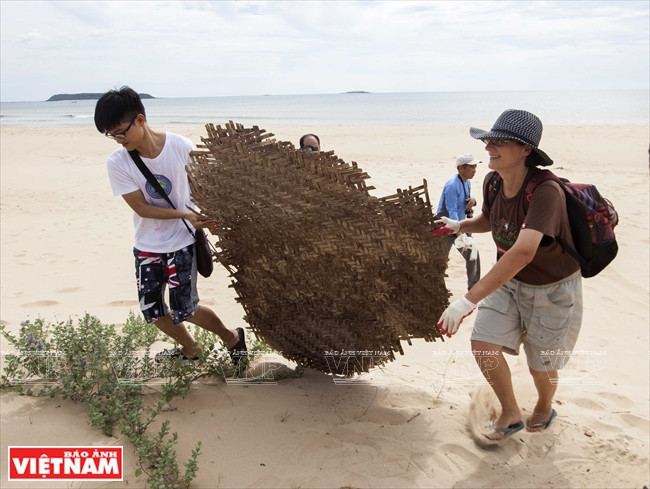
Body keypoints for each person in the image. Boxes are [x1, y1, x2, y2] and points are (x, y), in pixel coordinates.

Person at [435, 109, 582, 442]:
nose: (488, 147)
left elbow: (523, 251)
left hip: (551, 288)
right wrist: (458, 225)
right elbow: (490, 220)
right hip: (508, 281)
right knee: (483, 343)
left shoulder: (547, 192)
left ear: (526, 150)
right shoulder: (493, 180)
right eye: (488, 140)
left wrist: (467, 299)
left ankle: (545, 405)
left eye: (499, 142)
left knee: (541, 365)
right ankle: (511, 411)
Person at [94, 86, 247, 365]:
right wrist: (186, 215)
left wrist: (210, 217)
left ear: (140, 120)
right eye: (110, 135)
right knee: (152, 310)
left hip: (182, 242)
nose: (117, 140)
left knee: (186, 309)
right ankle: (191, 348)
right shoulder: (118, 162)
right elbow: (141, 207)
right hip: (146, 244)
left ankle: (232, 337)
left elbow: (205, 188)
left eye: (120, 131)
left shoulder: (180, 147)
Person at [435, 153, 482, 290]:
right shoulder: (451, 186)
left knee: (473, 256)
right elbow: (452, 211)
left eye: (475, 167)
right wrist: (459, 233)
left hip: (461, 225)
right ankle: (439, 290)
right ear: (461, 168)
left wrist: (473, 200)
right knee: (440, 261)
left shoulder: (467, 182)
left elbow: (465, 203)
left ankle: (474, 289)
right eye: (471, 167)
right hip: (446, 228)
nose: (474, 170)